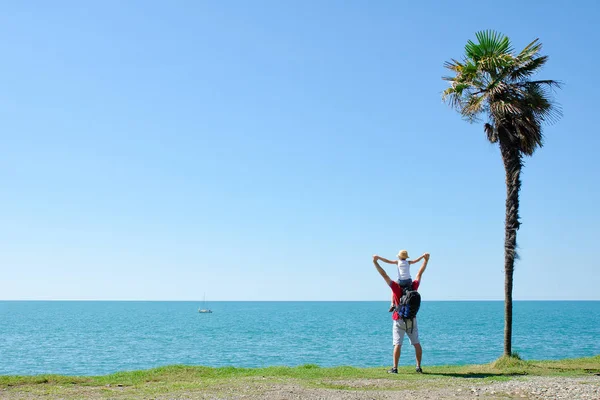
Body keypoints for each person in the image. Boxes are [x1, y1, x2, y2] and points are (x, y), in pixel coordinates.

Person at [372, 253, 430, 374]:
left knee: (397, 344)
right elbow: (419, 274)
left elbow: (384, 275)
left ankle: (395, 368)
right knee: (416, 343)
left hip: (399, 319)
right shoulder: (414, 286)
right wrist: (425, 260)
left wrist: (375, 262)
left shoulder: (396, 288)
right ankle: (418, 367)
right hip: (412, 319)